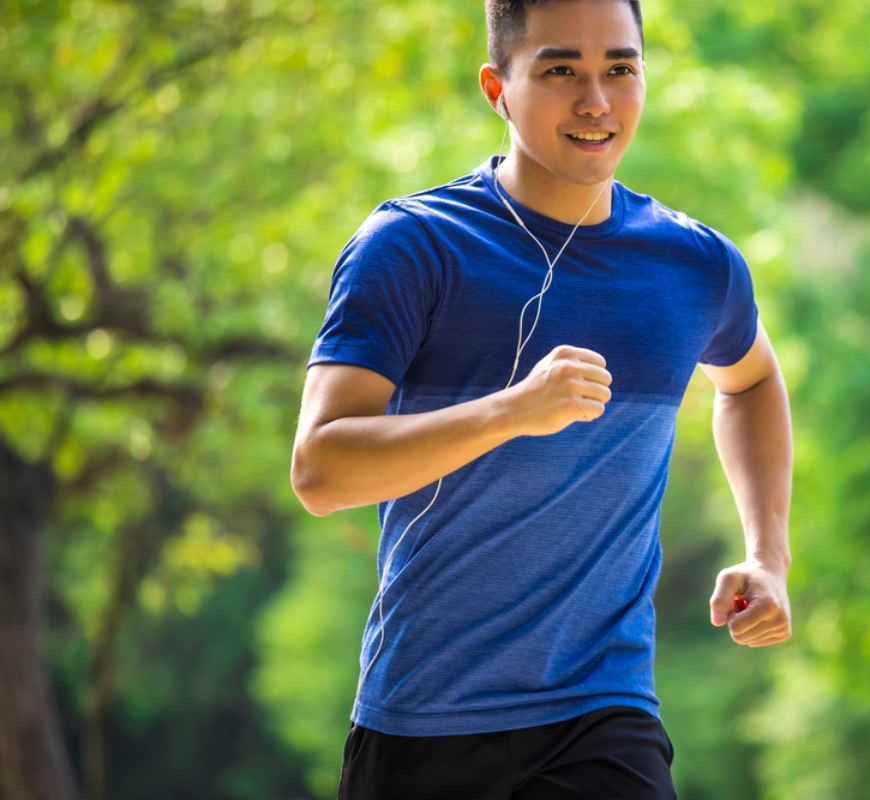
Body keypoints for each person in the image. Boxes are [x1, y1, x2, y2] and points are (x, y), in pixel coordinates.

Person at [290, 1, 794, 797]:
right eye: (561, 71)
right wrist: (508, 413)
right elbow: (321, 470)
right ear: (498, 88)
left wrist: (769, 555)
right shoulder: (413, 246)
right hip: (424, 720)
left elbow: (754, 379)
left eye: (620, 70)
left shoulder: (693, 265)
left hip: (603, 713)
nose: (596, 101)